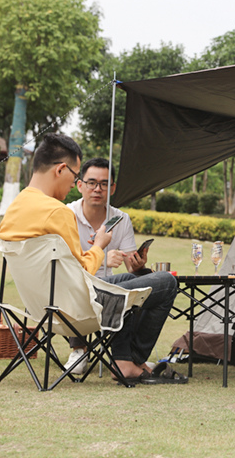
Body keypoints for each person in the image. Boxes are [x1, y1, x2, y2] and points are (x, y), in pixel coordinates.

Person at [0, 133, 180, 383]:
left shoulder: (14, 209)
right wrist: (101, 246)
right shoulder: (57, 212)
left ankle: (125, 359)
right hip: (78, 309)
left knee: (128, 277)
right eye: (75, 177)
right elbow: (83, 270)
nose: (74, 184)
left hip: (43, 308)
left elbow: (68, 268)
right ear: (61, 169)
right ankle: (129, 361)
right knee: (167, 283)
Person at [64, 157, 150, 372]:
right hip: (75, 285)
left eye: (104, 184)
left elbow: (130, 266)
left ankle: (129, 356)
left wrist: (137, 264)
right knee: (74, 283)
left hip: (109, 286)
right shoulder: (66, 215)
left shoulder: (120, 219)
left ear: (112, 188)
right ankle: (78, 349)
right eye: (92, 183)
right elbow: (64, 262)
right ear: (80, 185)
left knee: (144, 282)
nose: (97, 189)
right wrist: (102, 255)